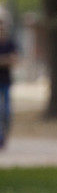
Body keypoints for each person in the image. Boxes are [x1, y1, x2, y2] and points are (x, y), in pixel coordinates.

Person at [0, 13, 18, 149]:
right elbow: (9, 60)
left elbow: (14, 60)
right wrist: (6, 60)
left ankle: (4, 136)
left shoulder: (10, 43)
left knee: (6, 111)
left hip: (6, 82)